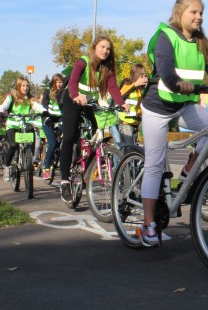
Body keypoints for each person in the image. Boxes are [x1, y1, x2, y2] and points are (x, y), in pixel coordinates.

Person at [140, 0, 208, 246]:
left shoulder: (200, 41)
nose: (199, 17)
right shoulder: (166, 36)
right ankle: (148, 223)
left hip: (186, 103)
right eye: (194, 12)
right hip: (158, 106)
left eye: (201, 13)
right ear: (179, 13)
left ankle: (187, 173)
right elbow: (165, 69)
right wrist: (176, 83)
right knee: (155, 162)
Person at [58, 36, 129, 203]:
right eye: (102, 47)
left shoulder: (107, 68)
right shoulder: (83, 62)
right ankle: (64, 181)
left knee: (98, 135)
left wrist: (122, 103)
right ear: (95, 47)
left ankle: (87, 167)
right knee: (68, 138)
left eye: (108, 49)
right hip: (72, 100)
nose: (105, 51)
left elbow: (113, 88)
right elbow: (73, 81)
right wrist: (75, 95)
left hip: (89, 103)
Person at [0, 77, 45, 182]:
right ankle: (7, 167)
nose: (25, 88)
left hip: (24, 125)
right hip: (12, 125)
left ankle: (29, 160)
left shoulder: (30, 98)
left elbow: (37, 106)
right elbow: (3, 106)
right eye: (23, 85)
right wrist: (0, 112)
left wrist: (45, 112)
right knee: (13, 145)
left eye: (27, 86)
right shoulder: (12, 97)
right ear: (18, 86)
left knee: (31, 142)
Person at [117, 63, 148, 146]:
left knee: (135, 148)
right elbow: (120, 98)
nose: (145, 77)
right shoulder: (127, 84)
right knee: (128, 149)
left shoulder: (140, 89)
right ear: (137, 75)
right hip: (125, 122)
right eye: (143, 74)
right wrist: (135, 85)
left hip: (135, 122)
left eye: (145, 75)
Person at [40, 74, 64, 180]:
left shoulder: (65, 92)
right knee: (52, 143)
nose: (58, 84)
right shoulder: (47, 92)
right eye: (57, 82)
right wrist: (47, 118)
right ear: (53, 83)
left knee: (67, 139)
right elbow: (44, 106)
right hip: (48, 119)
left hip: (60, 119)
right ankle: (46, 168)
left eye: (60, 82)